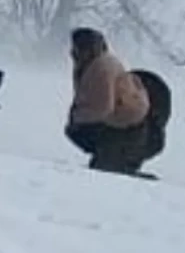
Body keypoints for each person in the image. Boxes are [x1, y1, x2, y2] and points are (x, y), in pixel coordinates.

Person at [64, 27, 154, 176]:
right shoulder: (89, 65)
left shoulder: (101, 68)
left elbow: (103, 109)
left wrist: (76, 116)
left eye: (79, 47)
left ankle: (117, 157)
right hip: (120, 124)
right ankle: (108, 154)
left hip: (127, 127)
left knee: (106, 172)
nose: (73, 52)